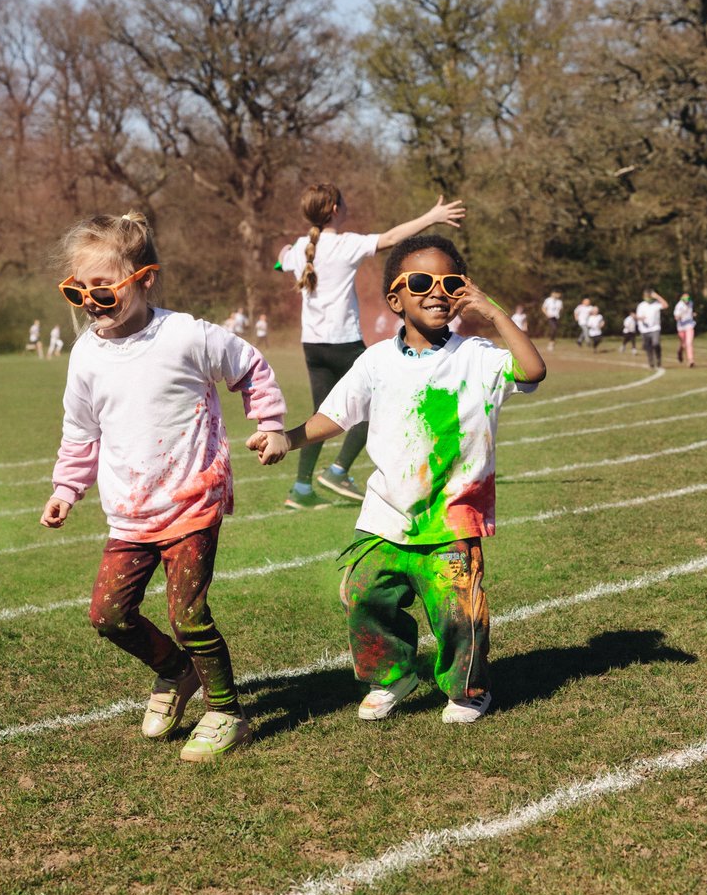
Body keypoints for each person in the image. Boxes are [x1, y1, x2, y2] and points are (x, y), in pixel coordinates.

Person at [249, 234, 546, 725]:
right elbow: (336, 415)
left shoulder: (477, 355)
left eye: (451, 283)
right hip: (385, 512)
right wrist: (288, 438)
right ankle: (393, 675)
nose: (437, 291)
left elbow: (533, 370)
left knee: (459, 613)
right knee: (362, 593)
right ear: (395, 299)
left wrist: (491, 311)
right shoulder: (375, 361)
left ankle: (468, 690)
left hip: (452, 516)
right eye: (422, 282)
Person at [39, 212, 286, 762]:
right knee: (108, 615)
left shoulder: (185, 336)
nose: (90, 301)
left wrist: (268, 423)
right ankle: (175, 673)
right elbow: (81, 431)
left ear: (145, 278)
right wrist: (65, 488)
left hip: (191, 498)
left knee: (189, 614)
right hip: (129, 510)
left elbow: (251, 367)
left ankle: (227, 712)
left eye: (103, 288)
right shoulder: (85, 354)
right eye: (77, 290)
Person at [277, 184, 465, 510]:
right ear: (336, 208)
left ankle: (301, 488)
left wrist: (284, 256)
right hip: (343, 341)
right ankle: (338, 471)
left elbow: (281, 262)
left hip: (312, 345)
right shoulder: (344, 244)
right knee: (377, 403)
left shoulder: (301, 248)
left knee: (320, 414)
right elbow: (392, 238)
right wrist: (432, 216)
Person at [636, 287, 669, 369]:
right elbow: (638, 316)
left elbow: (666, 305)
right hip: (644, 329)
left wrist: (657, 296)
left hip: (655, 328)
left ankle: (658, 359)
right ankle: (651, 362)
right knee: (648, 347)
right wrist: (640, 318)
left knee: (656, 343)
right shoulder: (641, 305)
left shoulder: (656, 304)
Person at [673, 292, 696, 367]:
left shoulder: (691, 303)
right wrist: (679, 316)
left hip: (689, 325)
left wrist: (693, 314)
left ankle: (690, 360)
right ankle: (680, 352)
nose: (687, 300)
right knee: (683, 344)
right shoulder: (679, 306)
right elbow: (676, 317)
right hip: (681, 327)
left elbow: (690, 313)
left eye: (688, 299)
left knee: (689, 342)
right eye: (685, 299)